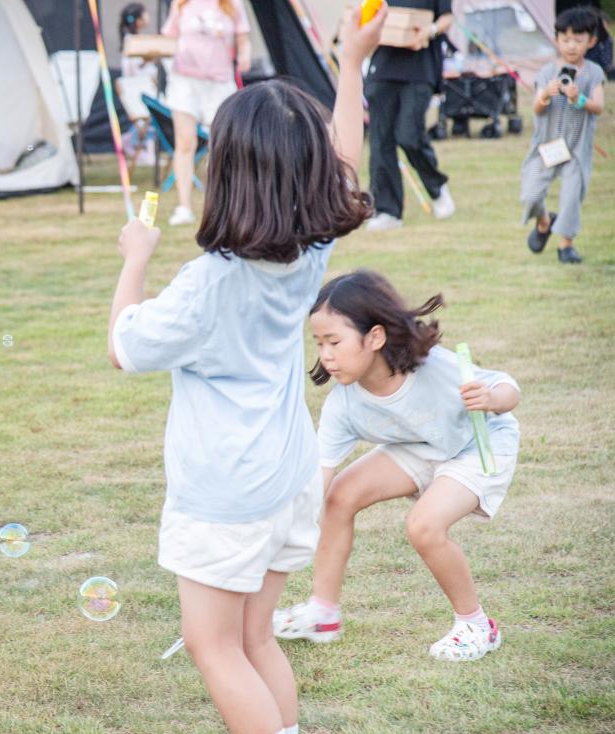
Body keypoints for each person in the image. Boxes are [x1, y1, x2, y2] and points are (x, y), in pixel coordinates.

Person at [107, 9, 386, 733]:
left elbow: (124, 347)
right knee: (257, 637)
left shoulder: (209, 284)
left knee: (213, 645)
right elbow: (345, 158)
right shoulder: (309, 248)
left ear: (224, 171)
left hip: (226, 492)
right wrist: (350, 63)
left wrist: (135, 258)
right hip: (285, 476)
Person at [273, 270, 521, 662]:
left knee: (424, 526)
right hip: (418, 446)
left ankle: (477, 625)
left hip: (479, 443)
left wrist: (490, 398)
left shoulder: (432, 366)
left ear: (375, 336)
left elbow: (509, 389)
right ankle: (322, 614)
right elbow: (320, 476)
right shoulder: (344, 402)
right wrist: (280, 526)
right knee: (339, 497)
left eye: (334, 342)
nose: (325, 356)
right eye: (319, 344)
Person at [521, 7, 605, 265]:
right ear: (556, 39)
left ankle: (566, 245)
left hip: (577, 148)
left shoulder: (593, 72)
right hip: (546, 145)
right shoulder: (547, 73)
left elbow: (598, 107)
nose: (571, 46)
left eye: (578, 40)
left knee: (571, 196)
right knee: (531, 193)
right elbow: (537, 108)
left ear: (591, 41)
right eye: (565, 39)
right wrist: (546, 94)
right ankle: (544, 221)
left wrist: (578, 98)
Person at [364, 0, 456, 231]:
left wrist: (431, 30)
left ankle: (437, 186)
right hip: (383, 67)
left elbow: (447, 17)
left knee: (409, 135)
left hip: (419, 67)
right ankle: (388, 210)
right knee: (380, 141)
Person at [160, 0, 251, 227]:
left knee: (223, 144)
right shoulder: (181, 4)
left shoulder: (233, 5)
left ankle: (226, 205)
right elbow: (168, 39)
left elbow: (243, 40)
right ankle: (184, 206)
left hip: (220, 81)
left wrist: (244, 56)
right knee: (185, 143)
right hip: (185, 80)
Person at [117, 3, 158, 167]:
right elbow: (132, 68)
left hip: (144, 86)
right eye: (146, 14)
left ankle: (138, 145)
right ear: (139, 19)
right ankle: (135, 144)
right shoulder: (132, 41)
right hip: (138, 88)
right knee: (146, 120)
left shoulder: (135, 39)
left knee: (147, 121)